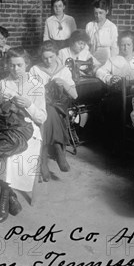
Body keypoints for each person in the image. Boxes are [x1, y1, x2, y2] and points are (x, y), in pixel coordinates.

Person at [0, 48, 47, 223]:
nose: (15, 69)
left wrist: (29, 105)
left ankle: (4, 199)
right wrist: (1, 104)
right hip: (5, 125)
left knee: (8, 154)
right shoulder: (2, 83)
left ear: (27, 64)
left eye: (19, 65)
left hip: (28, 129)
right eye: (12, 65)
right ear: (7, 65)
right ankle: (11, 197)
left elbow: (42, 117)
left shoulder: (37, 85)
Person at [29, 41, 78, 179]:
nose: (48, 61)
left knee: (49, 111)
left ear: (57, 55)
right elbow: (30, 93)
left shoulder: (64, 70)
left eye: (51, 57)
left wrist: (64, 83)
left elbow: (74, 95)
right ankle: (58, 148)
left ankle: (43, 161)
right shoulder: (35, 69)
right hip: (40, 105)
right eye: (45, 58)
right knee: (48, 111)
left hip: (59, 106)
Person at [85, 0, 119, 64]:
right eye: (96, 13)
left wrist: (112, 63)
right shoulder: (89, 25)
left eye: (101, 13)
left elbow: (114, 48)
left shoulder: (112, 27)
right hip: (92, 57)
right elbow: (86, 45)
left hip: (106, 58)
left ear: (107, 11)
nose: (98, 16)